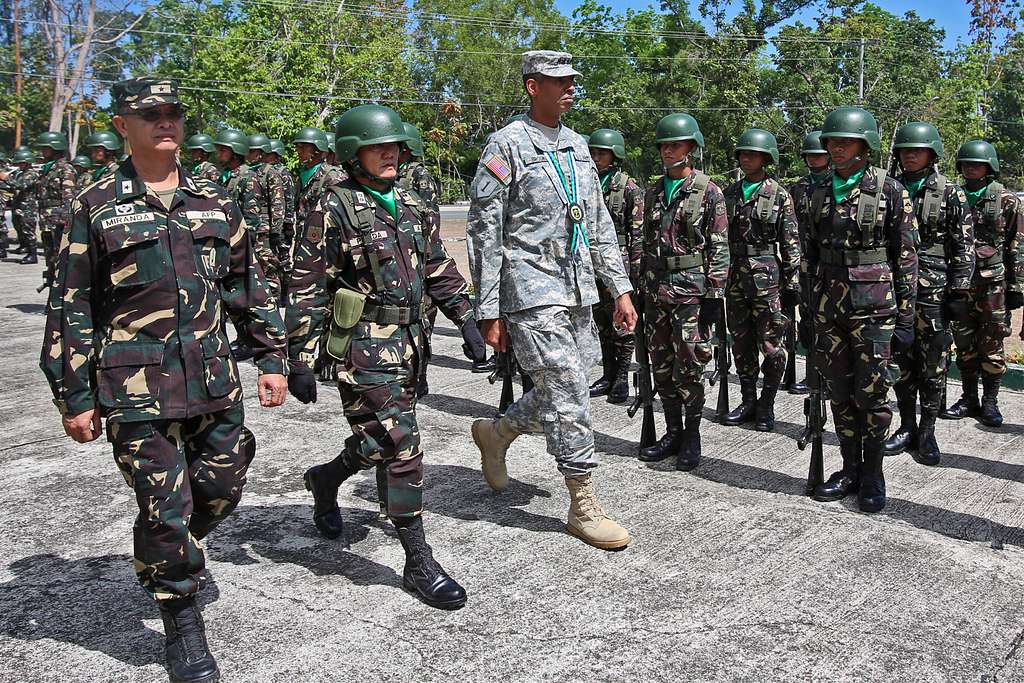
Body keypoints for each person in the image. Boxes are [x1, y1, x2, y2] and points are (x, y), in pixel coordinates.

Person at [38, 77, 288, 683]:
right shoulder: (95, 204)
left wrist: (272, 357)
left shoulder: (214, 199)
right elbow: (71, 307)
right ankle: (181, 622)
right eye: (150, 114)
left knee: (223, 486)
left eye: (173, 112)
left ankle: (164, 546)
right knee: (165, 505)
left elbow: (244, 285)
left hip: (213, 380)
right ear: (124, 125)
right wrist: (74, 395)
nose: (165, 122)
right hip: (135, 390)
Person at [286, 104, 485, 610]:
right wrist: (300, 356)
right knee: (402, 445)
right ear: (355, 153)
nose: (390, 153)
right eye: (379, 147)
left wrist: (465, 318)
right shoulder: (332, 207)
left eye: (394, 145)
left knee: (379, 442)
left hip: (413, 342)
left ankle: (326, 478)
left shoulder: (415, 204)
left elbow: (437, 265)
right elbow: (307, 286)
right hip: (362, 347)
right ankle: (418, 561)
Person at [467, 51, 637, 551]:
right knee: (566, 389)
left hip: (578, 286)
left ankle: (497, 432)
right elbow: (484, 231)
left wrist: (619, 288)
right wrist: (489, 308)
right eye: (557, 81)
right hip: (531, 287)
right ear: (531, 87)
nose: (569, 89)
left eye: (571, 81)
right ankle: (582, 501)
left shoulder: (577, 146)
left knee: (577, 380)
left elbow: (598, 221)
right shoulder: (507, 146)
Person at [806, 106, 918, 513]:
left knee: (871, 394)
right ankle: (849, 467)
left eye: (844, 141)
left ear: (864, 146)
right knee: (838, 391)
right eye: (831, 141)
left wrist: (906, 318)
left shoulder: (890, 191)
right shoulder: (816, 192)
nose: (835, 148)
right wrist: (807, 313)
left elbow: (905, 259)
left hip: (873, 309)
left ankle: (873, 473)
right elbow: (809, 257)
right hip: (827, 308)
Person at [635, 113, 729, 470]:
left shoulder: (709, 191)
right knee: (661, 365)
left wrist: (714, 295)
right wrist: (642, 287)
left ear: (692, 149)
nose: (666, 151)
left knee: (690, 365)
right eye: (663, 145)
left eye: (674, 144)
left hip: (692, 293)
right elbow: (645, 244)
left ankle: (692, 434)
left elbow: (720, 247)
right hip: (657, 291)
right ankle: (672, 430)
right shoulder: (655, 191)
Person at [883, 122, 974, 465]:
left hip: (935, 291)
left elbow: (963, 246)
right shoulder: (888, 188)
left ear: (932, 154)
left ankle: (927, 430)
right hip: (892, 288)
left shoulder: (950, 193)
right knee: (901, 359)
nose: (910, 155)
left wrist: (959, 292)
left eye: (917, 150)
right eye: (905, 150)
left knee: (933, 364)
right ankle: (906, 424)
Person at [720, 128, 801, 432]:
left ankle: (767, 404)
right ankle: (748, 400)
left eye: (752, 154)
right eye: (742, 153)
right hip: (734, 277)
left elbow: (791, 242)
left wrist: (792, 284)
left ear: (766, 158)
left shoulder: (779, 195)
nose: (745, 158)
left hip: (767, 279)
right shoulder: (728, 193)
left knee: (771, 343)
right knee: (740, 342)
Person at [941, 139, 1024, 427]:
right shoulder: (952, 196)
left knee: (992, 343)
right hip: (960, 283)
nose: (970, 168)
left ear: (989, 167)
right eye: (965, 164)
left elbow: (1017, 244)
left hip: (993, 286)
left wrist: (1016, 287)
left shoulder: (1007, 200)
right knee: (963, 343)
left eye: (977, 164)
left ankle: (990, 401)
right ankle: (968, 398)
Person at [586, 128, 644, 405]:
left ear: (615, 155)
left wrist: (633, 274)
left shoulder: (628, 188)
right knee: (601, 323)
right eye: (593, 152)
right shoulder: (585, 183)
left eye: (602, 153)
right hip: (590, 263)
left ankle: (621, 376)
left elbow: (638, 236)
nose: (596, 157)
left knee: (622, 324)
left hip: (618, 264)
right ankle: (608, 374)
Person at [787, 130, 831, 396]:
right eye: (810, 156)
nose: (814, 160)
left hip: (831, 266)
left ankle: (830, 378)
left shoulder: (836, 185)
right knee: (808, 323)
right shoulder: (799, 187)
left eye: (819, 155)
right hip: (805, 266)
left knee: (830, 325)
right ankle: (813, 375)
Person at [34, 131, 78, 287]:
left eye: (46, 148)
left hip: (59, 221)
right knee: (50, 258)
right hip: (47, 221)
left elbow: (68, 197)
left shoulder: (65, 169)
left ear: (55, 148)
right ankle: (52, 291)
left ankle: (61, 294)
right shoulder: (47, 169)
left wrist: (66, 223)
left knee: (60, 258)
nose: (42, 151)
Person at [247, 133, 285, 300]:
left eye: (251, 151)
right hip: (251, 228)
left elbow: (277, 204)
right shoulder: (248, 173)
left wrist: (276, 231)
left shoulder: (270, 173)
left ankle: (274, 301)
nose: (248, 155)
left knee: (268, 267)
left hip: (265, 231)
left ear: (260, 153)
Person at [265, 138, 297, 299]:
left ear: (276, 155)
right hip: (273, 223)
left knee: (283, 260)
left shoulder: (283, 174)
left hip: (284, 224)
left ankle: (285, 293)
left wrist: (286, 224)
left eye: (269, 154)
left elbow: (289, 201)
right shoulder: (267, 172)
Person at [0, 146, 40, 260]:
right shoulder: (21, 173)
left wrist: (6, 178)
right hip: (19, 205)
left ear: (27, 163)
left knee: (28, 230)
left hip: (28, 207)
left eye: (21, 163)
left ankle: (33, 255)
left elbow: (21, 185)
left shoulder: (31, 174)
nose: (18, 165)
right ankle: (25, 248)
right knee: (20, 227)